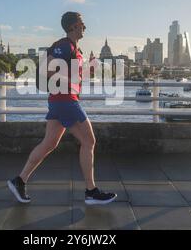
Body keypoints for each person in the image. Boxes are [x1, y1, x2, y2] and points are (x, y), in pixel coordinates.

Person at [8, 11, 117, 205]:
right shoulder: (64, 46)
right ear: (73, 26)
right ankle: (91, 191)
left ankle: (19, 180)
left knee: (49, 144)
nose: (85, 27)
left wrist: (90, 68)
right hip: (65, 100)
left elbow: (72, 73)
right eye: (82, 24)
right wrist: (70, 79)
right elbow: (47, 70)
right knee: (89, 141)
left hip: (60, 100)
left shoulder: (75, 49)